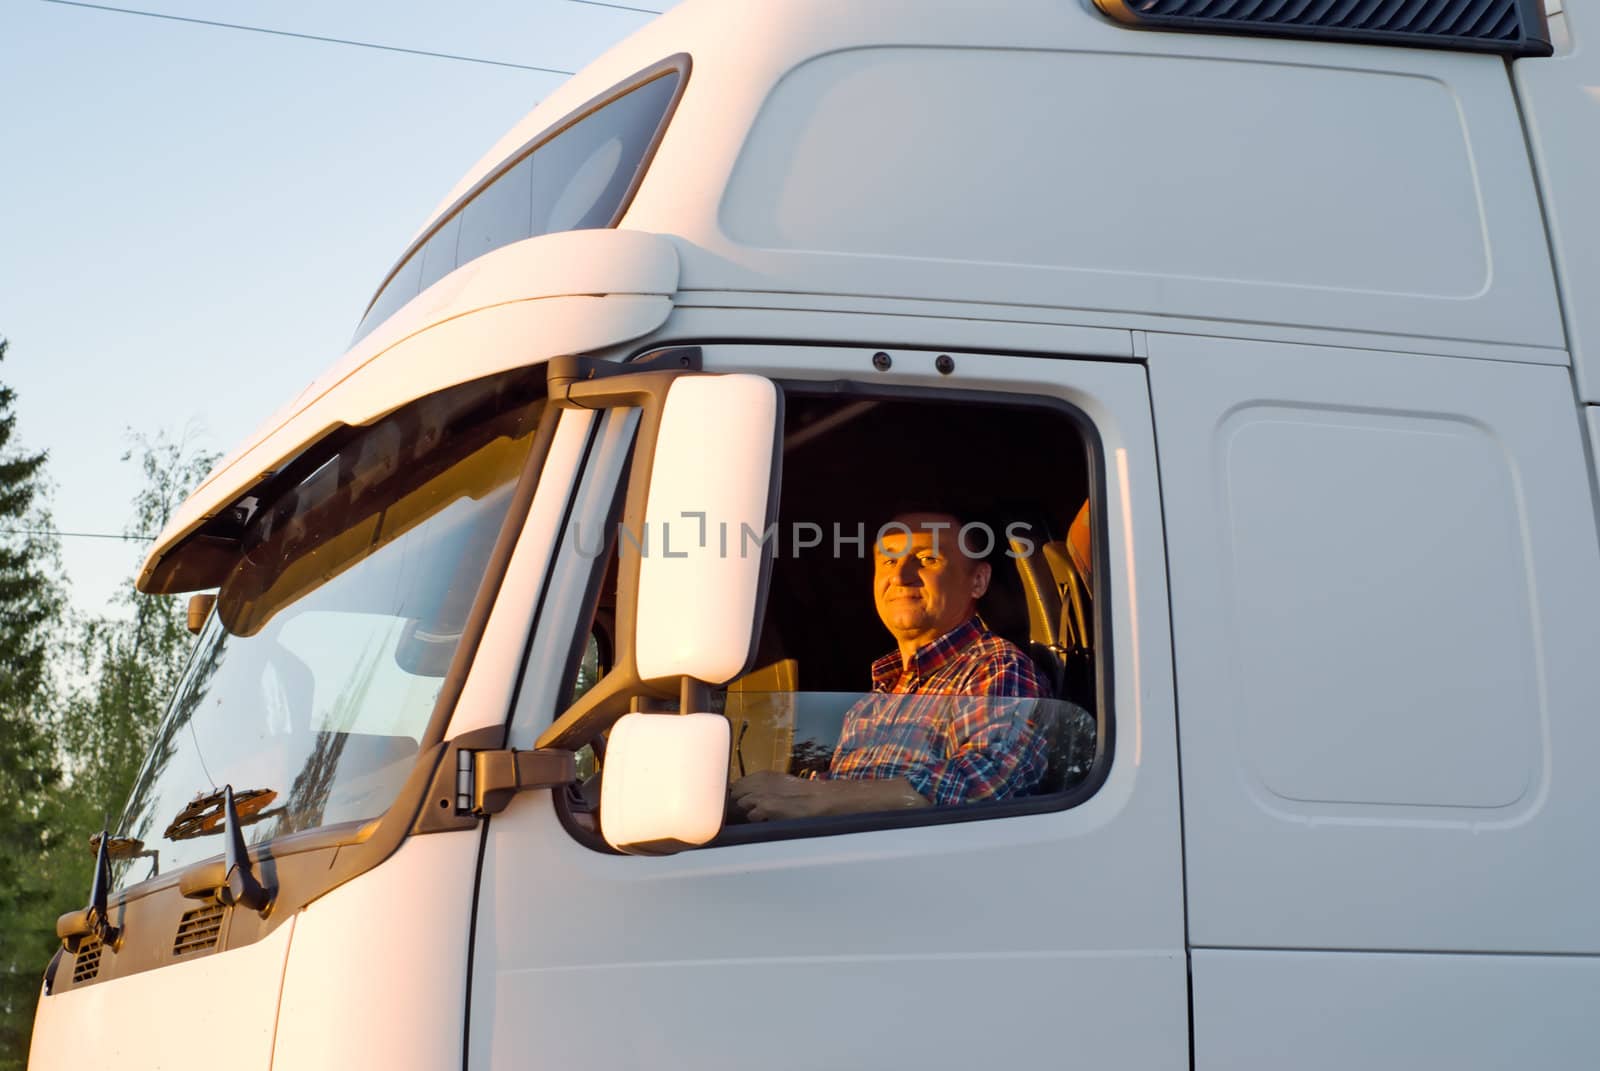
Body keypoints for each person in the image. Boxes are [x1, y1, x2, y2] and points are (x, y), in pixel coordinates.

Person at [731, 511, 1050, 822]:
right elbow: (846, 792)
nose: (900, 577)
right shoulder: (874, 700)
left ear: (977, 581)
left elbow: (993, 781)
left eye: (927, 559)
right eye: (889, 561)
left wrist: (818, 797)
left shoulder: (995, 666)